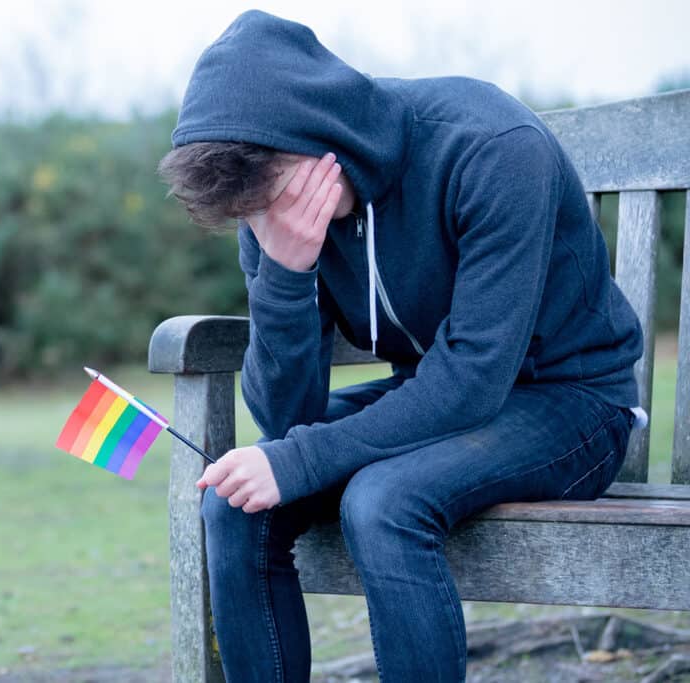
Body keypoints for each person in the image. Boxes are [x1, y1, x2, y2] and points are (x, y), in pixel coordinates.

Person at [156, 9, 649, 683]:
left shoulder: (490, 146)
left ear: (317, 142)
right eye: (249, 218)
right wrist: (285, 275)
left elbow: (473, 378)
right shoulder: (272, 215)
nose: (264, 225)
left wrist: (300, 456)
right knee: (236, 502)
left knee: (384, 500)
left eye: (268, 204)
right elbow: (286, 413)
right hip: (435, 402)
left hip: (574, 402)